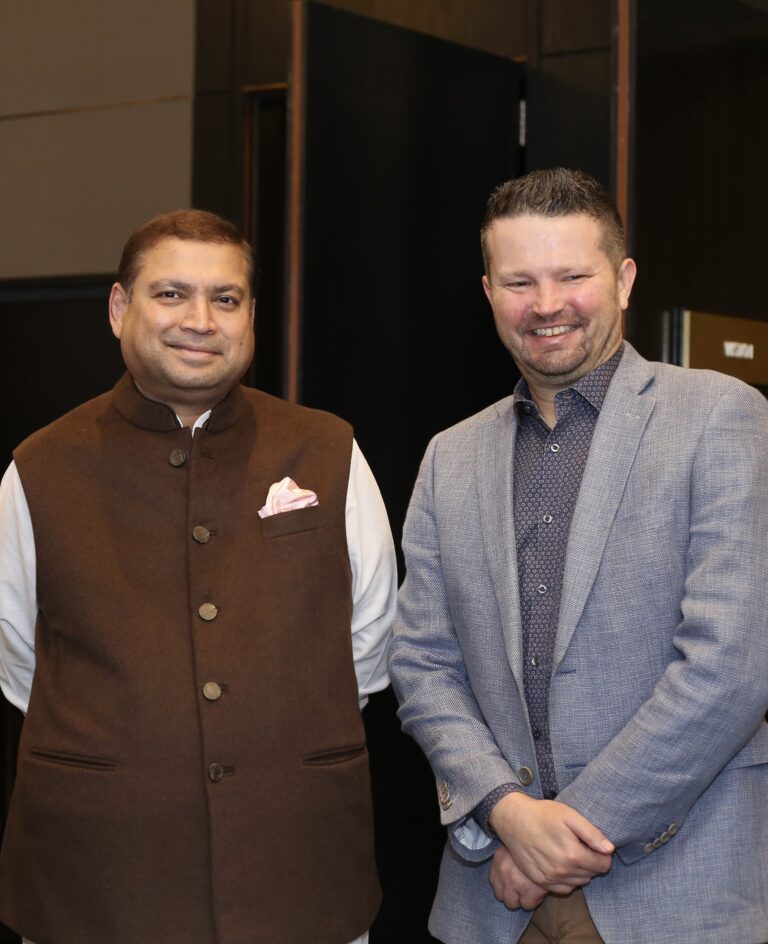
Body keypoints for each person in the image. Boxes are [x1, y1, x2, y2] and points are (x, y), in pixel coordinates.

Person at [389, 168, 768, 944]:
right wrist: (504, 811)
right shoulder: (449, 457)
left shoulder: (720, 418)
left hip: (678, 892)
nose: (548, 304)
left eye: (573, 276)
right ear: (490, 291)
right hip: (491, 904)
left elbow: (732, 665)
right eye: (520, 281)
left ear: (624, 280)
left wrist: (563, 837)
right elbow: (422, 663)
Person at [0, 209, 397, 944]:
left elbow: (369, 639)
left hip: (296, 866)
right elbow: (21, 656)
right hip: (98, 880)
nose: (200, 320)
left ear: (250, 315)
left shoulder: (328, 449)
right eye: (171, 294)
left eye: (226, 298)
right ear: (121, 309)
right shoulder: (39, 467)